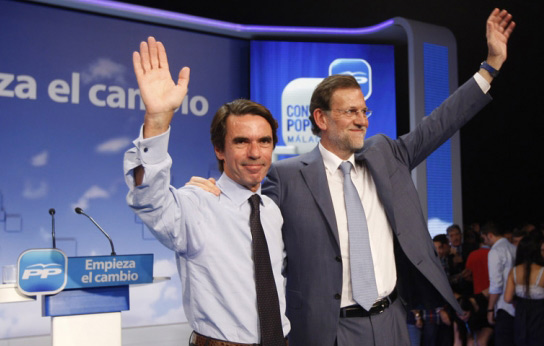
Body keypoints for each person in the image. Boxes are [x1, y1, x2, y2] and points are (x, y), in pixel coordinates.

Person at [190, 9, 515, 345]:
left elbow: (441, 123)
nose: (362, 120)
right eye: (350, 112)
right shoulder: (285, 177)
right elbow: (250, 228)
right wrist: (220, 193)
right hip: (328, 331)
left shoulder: (386, 154)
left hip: (392, 322)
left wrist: (489, 66)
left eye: (364, 111)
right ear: (321, 118)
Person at [123, 37, 289, 346]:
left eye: (264, 141)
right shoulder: (196, 203)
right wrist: (157, 120)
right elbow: (149, 199)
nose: (255, 152)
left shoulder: (271, 211)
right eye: (241, 141)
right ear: (219, 150)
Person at [505, 236, 544, 346]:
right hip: (541, 317)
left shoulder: (514, 271)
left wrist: (519, 304)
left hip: (521, 317)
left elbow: (507, 298)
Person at [483, 222, 516, 346]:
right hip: (516, 305)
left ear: (490, 235)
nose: (484, 241)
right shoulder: (514, 248)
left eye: (484, 238)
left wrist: (490, 309)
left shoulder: (495, 252)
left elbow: (496, 284)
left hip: (503, 305)